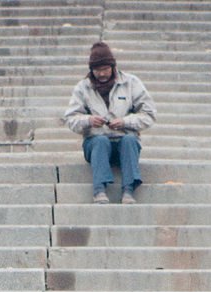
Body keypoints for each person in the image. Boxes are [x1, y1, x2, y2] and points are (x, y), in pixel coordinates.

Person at [63, 41, 154, 204]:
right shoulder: (82, 88)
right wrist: (89, 120)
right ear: (91, 70)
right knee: (100, 141)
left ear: (113, 67)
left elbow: (148, 114)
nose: (102, 74)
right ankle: (99, 190)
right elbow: (70, 118)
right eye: (97, 70)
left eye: (105, 69)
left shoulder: (131, 83)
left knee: (129, 140)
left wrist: (125, 122)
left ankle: (128, 190)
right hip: (96, 143)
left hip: (124, 140)